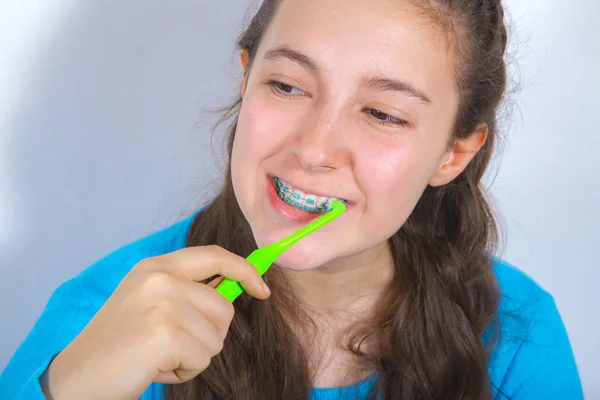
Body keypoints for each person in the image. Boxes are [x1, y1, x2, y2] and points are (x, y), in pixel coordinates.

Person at [0, 0, 584, 399]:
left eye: (382, 113)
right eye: (286, 86)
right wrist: (70, 387)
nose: (314, 149)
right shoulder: (102, 313)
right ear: (246, 80)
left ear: (451, 155)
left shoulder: (519, 334)